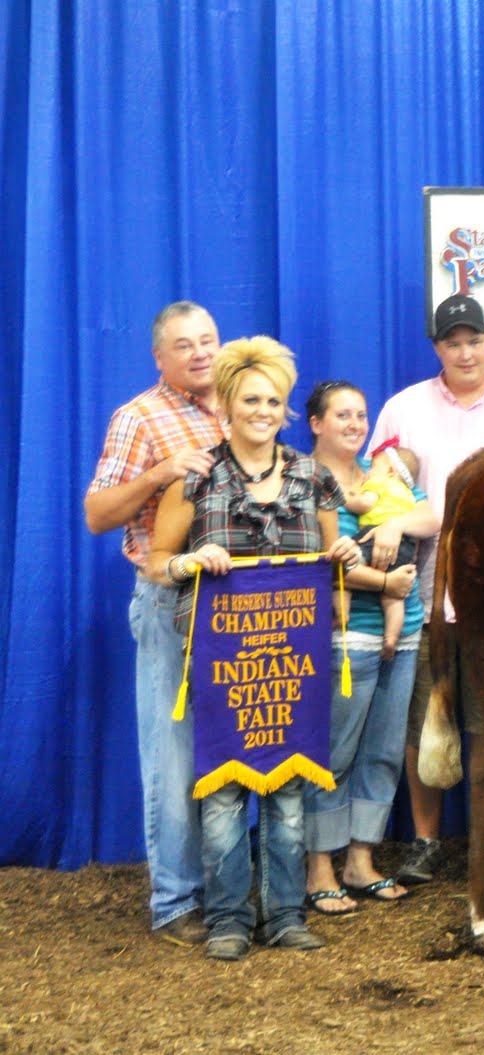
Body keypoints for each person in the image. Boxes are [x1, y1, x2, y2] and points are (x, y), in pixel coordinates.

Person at [145, 336, 360, 961]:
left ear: (285, 408)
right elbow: (158, 561)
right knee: (222, 798)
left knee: (290, 795)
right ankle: (228, 920)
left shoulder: (312, 477)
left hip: (294, 660)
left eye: (273, 401)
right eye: (250, 400)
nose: (262, 411)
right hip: (220, 661)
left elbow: (329, 565)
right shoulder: (197, 476)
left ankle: (287, 915)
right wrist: (190, 559)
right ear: (229, 405)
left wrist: (343, 556)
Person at [369, 293, 484, 887]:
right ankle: (426, 841)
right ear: (437, 348)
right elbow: (379, 491)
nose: (465, 351)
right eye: (453, 342)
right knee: (424, 719)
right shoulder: (402, 409)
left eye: (474, 339)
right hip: (424, 593)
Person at [85, 301, 225, 947]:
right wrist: (160, 472)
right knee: (174, 753)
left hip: (238, 604)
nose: (199, 352)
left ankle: (230, 887)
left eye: (208, 340)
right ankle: (175, 901)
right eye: (184, 344)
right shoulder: (139, 417)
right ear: (160, 357)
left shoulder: (240, 405)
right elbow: (97, 512)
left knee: (236, 742)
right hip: (171, 602)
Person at [301, 382, 439, 916]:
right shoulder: (305, 479)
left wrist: (391, 522)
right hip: (342, 635)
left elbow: (430, 518)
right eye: (342, 415)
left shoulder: (382, 471)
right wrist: (385, 586)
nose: (355, 424)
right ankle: (319, 867)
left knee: (382, 750)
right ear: (316, 423)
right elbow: (317, 560)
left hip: (403, 633)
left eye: (360, 415)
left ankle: (361, 860)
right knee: (334, 753)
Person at [342, 439, 423, 659]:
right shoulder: (409, 494)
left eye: (373, 467)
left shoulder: (380, 483)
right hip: (404, 548)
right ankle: (391, 638)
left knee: (346, 563)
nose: (369, 473)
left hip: (372, 538)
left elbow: (364, 504)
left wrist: (345, 497)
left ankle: (342, 613)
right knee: (394, 599)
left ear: (389, 470)